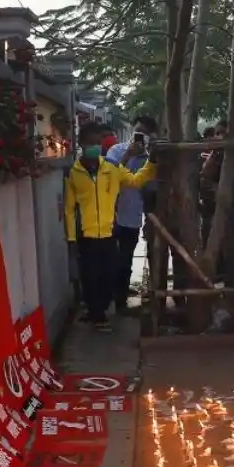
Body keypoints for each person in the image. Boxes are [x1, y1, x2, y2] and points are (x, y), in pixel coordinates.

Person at [65, 122, 156, 330]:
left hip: (108, 233)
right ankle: (97, 316)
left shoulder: (112, 169)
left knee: (108, 275)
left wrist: (152, 164)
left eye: (98, 143)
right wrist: (71, 239)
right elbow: (70, 210)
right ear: (81, 144)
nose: (95, 147)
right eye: (90, 143)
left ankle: (101, 309)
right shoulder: (74, 173)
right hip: (86, 236)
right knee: (89, 277)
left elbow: (134, 181)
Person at [105, 115, 159, 313]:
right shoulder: (117, 151)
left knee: (125, 260)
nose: (140, 138)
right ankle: (105, 299)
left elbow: (150, 187)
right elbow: (108, 177)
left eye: (145, 135)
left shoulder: (150, 159)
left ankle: (120, 302)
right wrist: (127, 155)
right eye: (138, 132)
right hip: (109, 216)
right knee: (109, 259)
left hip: (132, 218)